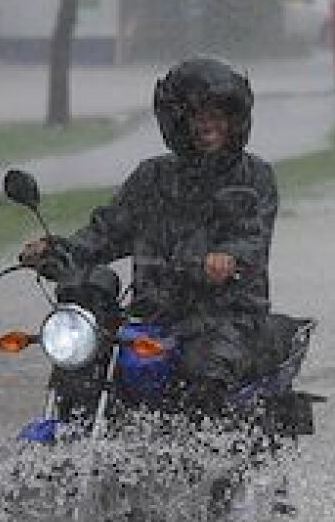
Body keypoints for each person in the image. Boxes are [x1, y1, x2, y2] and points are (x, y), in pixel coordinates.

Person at [19, 55, 279, 411]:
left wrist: (225, 259)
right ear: (177, 120)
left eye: (217, 113)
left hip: (226, 317)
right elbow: (106, 231)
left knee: (203, 376)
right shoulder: (151, 178)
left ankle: (209, 457)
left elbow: (251, 237)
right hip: (152, 316)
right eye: (196, 114)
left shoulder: (255, 177)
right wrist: (57, 250)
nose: (208, 124)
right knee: (83, 367)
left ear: (235, 118)